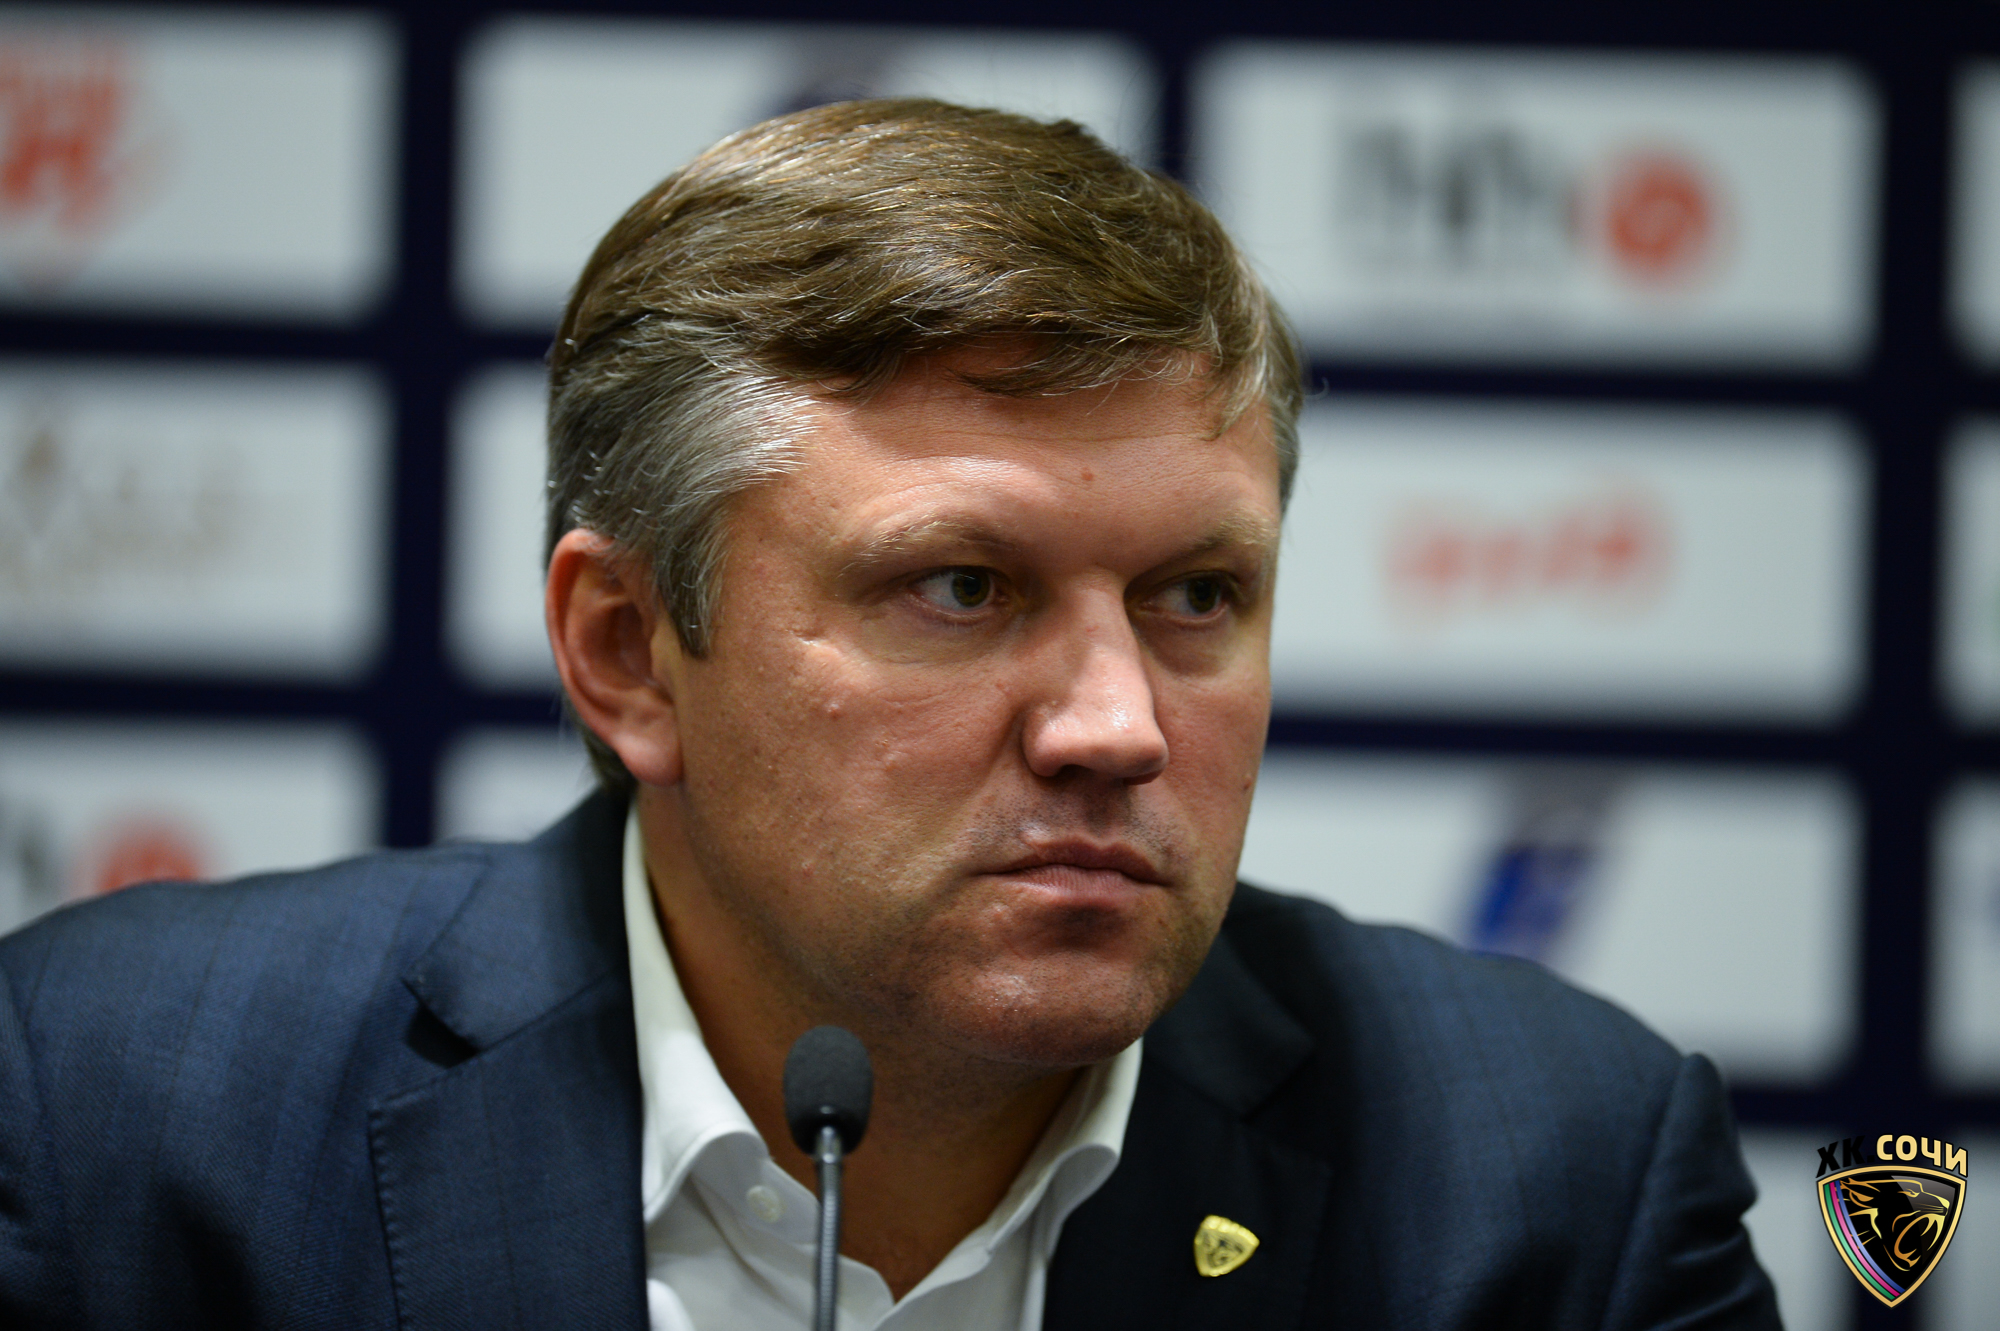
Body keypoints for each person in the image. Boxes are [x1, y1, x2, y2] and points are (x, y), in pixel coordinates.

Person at [0, 99, 1780, 1329]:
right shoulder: (116, 1113)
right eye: (962, 589)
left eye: (1195, 597)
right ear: (627, 652)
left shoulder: (1555, 1179)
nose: (1116, 728)